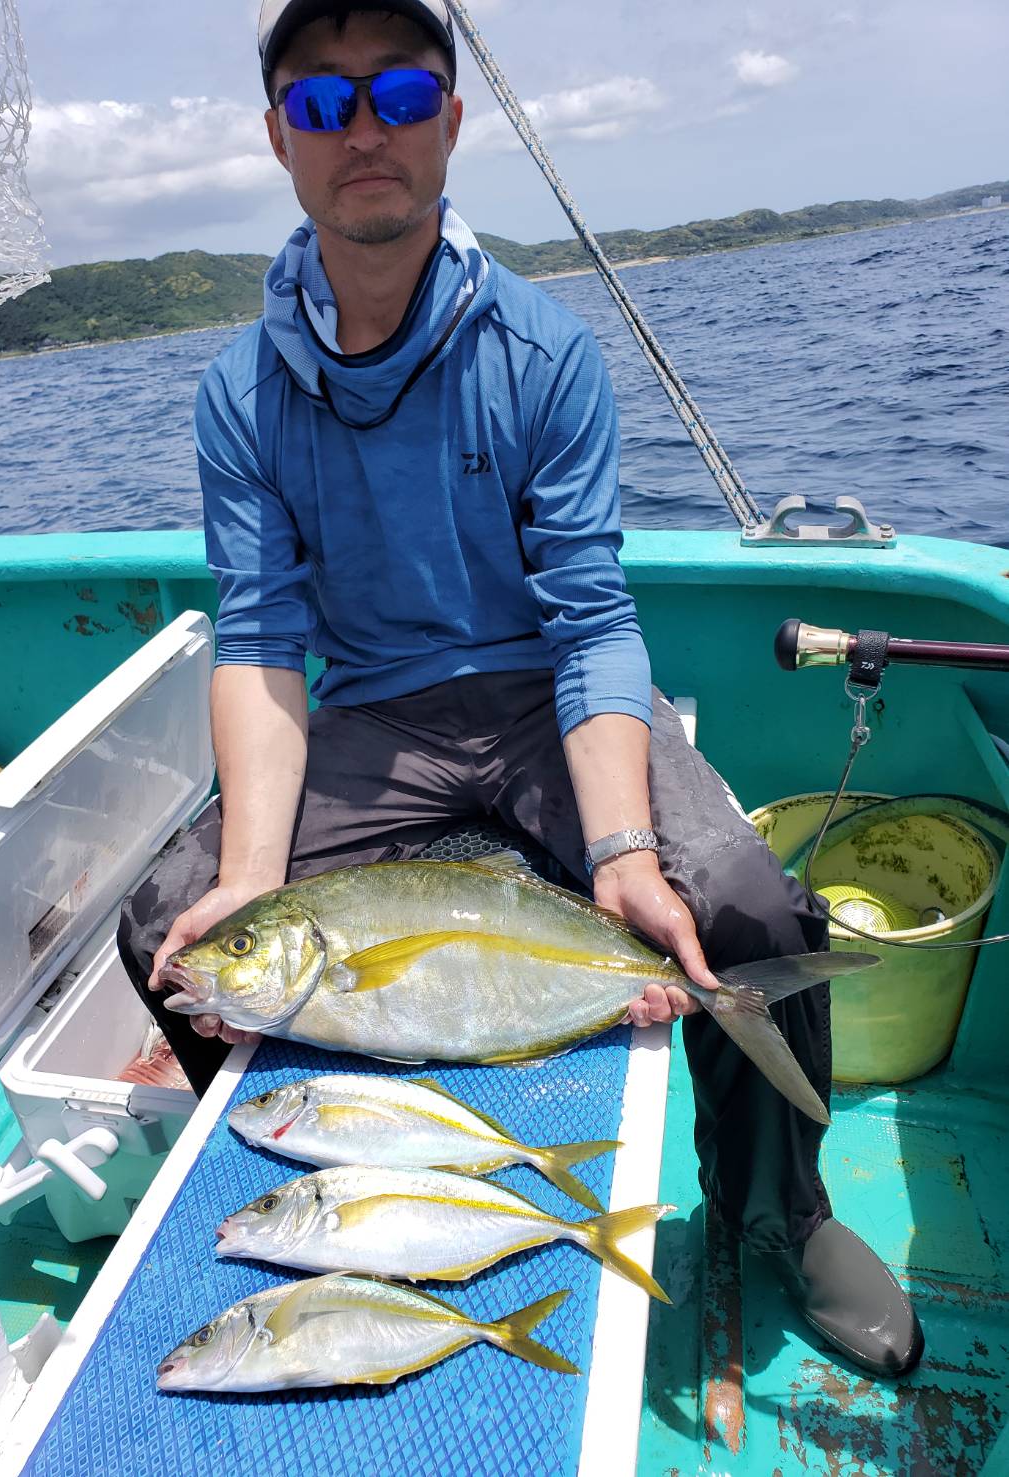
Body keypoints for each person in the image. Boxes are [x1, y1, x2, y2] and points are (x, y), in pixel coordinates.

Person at [117, 0, 922, 1378]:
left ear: (450, 119)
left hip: (547, 698)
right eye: (322, 103)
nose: (364, 131)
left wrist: (622, 850)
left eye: (398, 94)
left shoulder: (544, 355)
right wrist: (248, 872)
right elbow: (258, 640)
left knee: (746, 907)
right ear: (278, 138)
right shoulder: (240, 396)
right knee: (172, 928)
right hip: (374, 717)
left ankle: (785, 1209)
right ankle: (308, 1176)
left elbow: (592, 619)